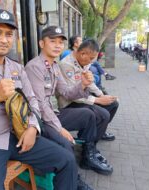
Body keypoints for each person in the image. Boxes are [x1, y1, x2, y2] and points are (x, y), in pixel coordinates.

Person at [0, 9, 81, 190]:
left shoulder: (17, 69)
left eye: (9, 34)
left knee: (66, 160)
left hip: (19, 137)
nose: (4, 40)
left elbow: (32, 102)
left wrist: (32, 127)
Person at [25, 26, 113, 176]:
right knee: (67, 144)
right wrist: (60, 128)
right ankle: (75, 178)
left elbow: (66, 92)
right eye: (53, 41)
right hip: (40, 120)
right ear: (41, 44)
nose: (58, 45)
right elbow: (40, 105)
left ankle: (88, 155)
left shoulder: (54, 66)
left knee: (88, 114)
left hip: (54, 113)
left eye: (60, 42)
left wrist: (83, 84)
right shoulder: (34, 67)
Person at [59, 39, 119, 144]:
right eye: (91, 58)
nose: (91, 61)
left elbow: (89, 82)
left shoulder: (84, 62)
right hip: (70, 102)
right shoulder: (66, 65)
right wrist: (97, 100)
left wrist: (101, 95)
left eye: (93, 58)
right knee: (103, 114)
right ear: (82, 54)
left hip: (83, 97)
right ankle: (89, 146)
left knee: (113, 104)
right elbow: (72, 95)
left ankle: (100, 130)